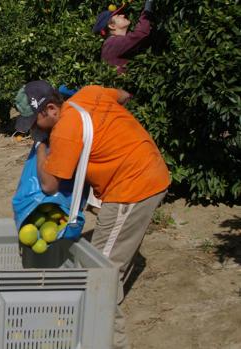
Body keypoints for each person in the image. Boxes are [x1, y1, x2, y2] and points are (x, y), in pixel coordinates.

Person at [14, 80, 170, 348]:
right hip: (149, 169)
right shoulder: (90, 93)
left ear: (51, 108)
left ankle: (111, 342)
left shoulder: (65, 130)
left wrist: (41, 146)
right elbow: (123, 95)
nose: (33, 130)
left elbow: (49, 185)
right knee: (107, 264)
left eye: (34, 123)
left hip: (132, 188)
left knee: (98, 275)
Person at [92, 0, 155, 74]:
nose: (123, 15)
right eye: (118, 16)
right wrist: (148, 6)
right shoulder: (111, 44)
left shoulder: (113, 43)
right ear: (112, 26)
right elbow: (140, 33)